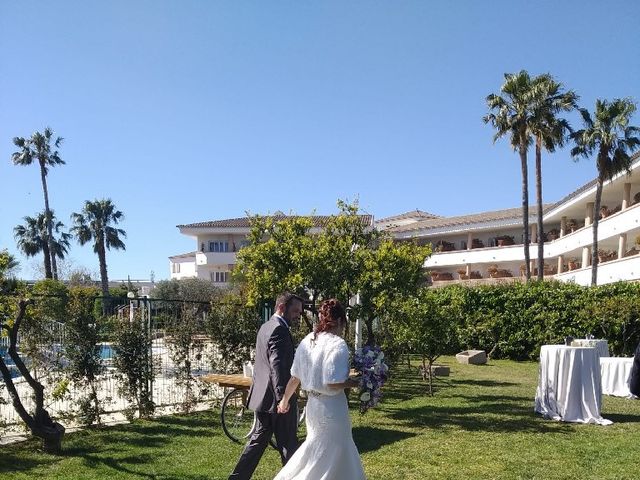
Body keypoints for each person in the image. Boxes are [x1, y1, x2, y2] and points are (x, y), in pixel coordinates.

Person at [274, 298, 366, 480]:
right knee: (336, 450)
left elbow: (295, 377)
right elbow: (332, 381)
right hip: (332, 407)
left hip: (314, 406)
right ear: (340, 321)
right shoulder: (338, 345)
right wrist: (356, 382)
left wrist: (284, 400)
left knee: (317, 449)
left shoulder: (308, 340)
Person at [229, 292, 303, 480]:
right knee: (288, 444)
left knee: (258, 442)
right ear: (281, 307)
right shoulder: (279, 329)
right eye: (295, 311)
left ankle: (237, 478)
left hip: (263, 397)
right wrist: (283, 399)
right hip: (277, 399)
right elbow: (277, 366)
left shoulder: (265, 327)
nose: (297, 315)